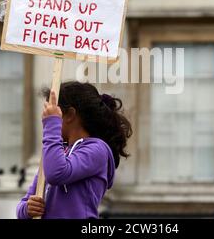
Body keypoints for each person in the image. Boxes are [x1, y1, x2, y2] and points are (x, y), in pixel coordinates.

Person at [16, 81, 132, 219]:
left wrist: (52, 124)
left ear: (70, 115)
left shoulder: (97, 150)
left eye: (55, 112)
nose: (44, 118)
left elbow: (57, 173)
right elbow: (24, 203)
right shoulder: (55, 152)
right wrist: (27, 209)